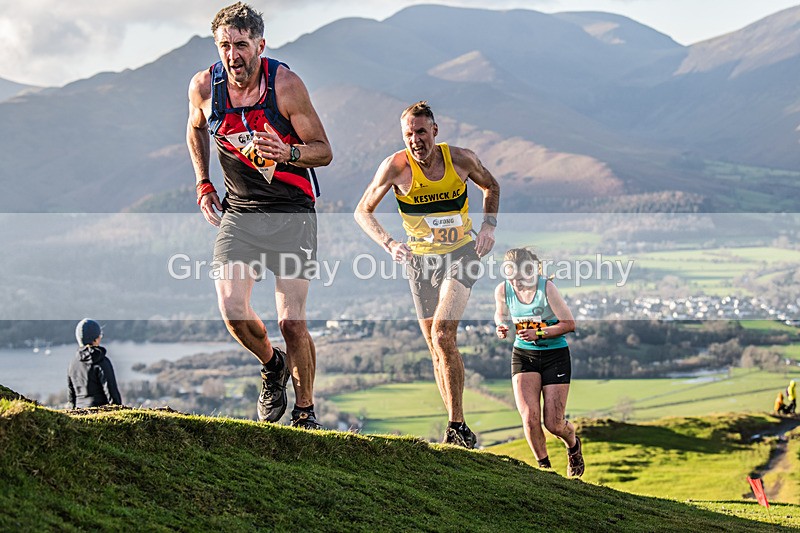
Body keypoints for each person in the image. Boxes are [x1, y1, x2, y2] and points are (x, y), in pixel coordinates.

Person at [186, 2, 332, 428]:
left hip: (291, 212)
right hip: (242, 212)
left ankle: (305, 412)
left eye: (242, 45)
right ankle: (273, 366)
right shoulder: (204, 87)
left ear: (260, 45)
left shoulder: (285, 86)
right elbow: (195, 126)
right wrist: (203, 182)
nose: (233, 55)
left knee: (291, 320)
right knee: (232, 308)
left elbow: (323, 151)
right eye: (225, 46)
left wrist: (287, 152)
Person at [354, 101, 500, 448]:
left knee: (444, 333)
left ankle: (456, 424)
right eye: (408, 133)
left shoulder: (460, 159)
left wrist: (488, 227)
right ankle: (456, 430)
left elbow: (491, 186)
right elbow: (362, 212)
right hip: (420, 264)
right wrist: (390, 244)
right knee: (436, 348)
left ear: (435, 130)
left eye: (421, 131)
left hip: (462, 254)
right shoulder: (395, 167)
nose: (415, 139)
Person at [493, 248, 584, 477]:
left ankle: (573, 444)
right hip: (524, 355)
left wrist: (540, 333)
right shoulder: (503, 290)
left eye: (521, 278)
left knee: (553, 424)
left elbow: (569, 324)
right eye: (512, 278)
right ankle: (545, 471)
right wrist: (501, 326)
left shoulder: (547, 289)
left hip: (555, 355)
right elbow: (500, 314)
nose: (516, 283)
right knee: (529, 418)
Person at [67, 319, 122, 409]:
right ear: (95, 339)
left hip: (78, 416)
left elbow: (71, 398)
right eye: (99, 335)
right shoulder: (101, 361)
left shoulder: (73, 363)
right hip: (100, 416)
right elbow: (113, 395)